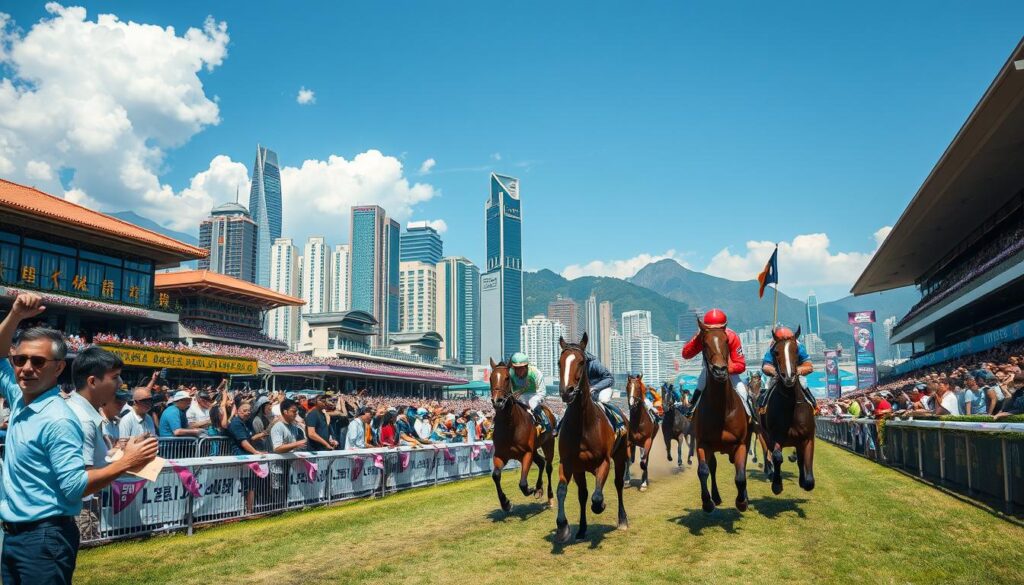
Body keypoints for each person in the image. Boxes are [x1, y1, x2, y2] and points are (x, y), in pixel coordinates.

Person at [0, 293, 157, 584]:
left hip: (43, 538)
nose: (26, 368)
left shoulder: (59, 419)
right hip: (17, 535)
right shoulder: (21, 398)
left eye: (38, 360)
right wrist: (15, 316)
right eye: (20, 359)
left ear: (59, 368)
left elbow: (74, 487)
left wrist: (128, 462)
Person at [66, 346, 124, 541]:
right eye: (115, 377)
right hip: (69, 515)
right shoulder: (83, 420)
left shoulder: (85, 414)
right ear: (92, 381)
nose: (121, 383)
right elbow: (82, 481)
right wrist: (129, 461)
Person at [682, 308, 749, 417]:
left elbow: (741, 365)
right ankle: (691, 413)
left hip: (728, 371)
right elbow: (686, 354)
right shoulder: (703, 335)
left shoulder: (732, 336)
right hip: (709, 370)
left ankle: (752, 418)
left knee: (742, 390)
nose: (714, 332)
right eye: (710, 329)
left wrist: (728, 368)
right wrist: (698, 338)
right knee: (700, 385)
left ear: (725, 327)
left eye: (719, 329)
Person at [759, 326, 816, 410]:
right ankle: (762, 408)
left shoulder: (798, 346)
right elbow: (766, 366)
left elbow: (808, 365)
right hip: (778, 376)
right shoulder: (772, 347)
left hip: (795, 375)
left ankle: (814, 405)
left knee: (803, 384)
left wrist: (799, 370)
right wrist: (776, 372)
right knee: (768, 387)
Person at [507, 352, 551, 435]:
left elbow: (542, 390)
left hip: (536, 394)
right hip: (520, 396)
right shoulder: (510, 373)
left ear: (526, 366)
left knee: (532, 402)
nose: (518, 370)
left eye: (521, 368)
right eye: (516, 368)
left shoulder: (536, 373)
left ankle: (545, 423)